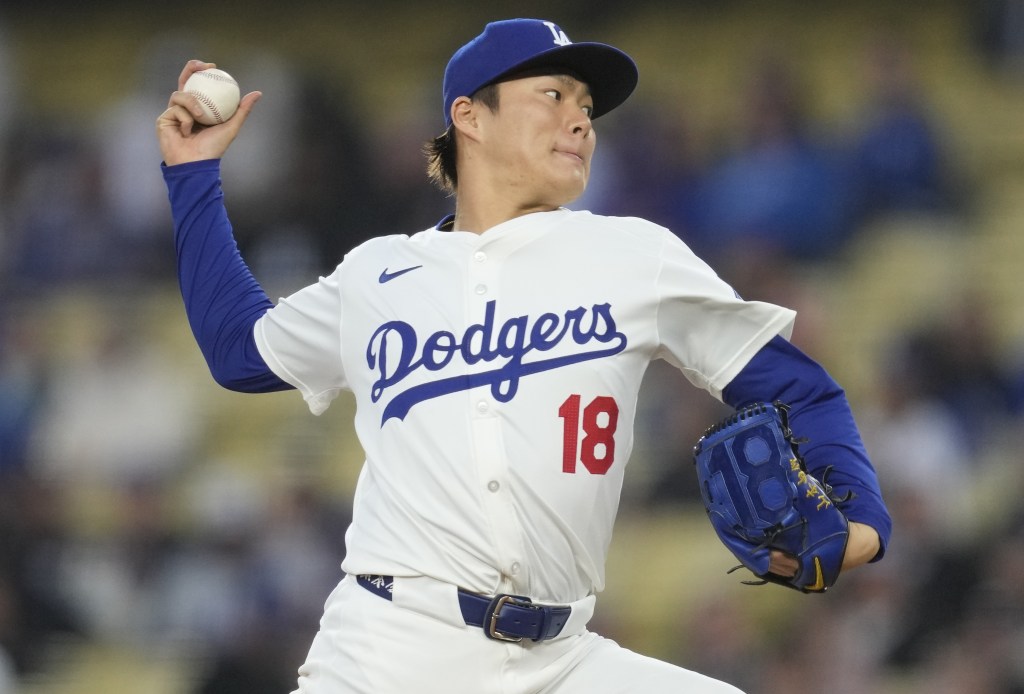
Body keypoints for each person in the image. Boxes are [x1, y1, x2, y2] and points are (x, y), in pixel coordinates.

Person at [156, 18, 892, 694]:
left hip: (561, 656)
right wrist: (192, 176)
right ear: (469, 116)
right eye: (553, 94)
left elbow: (802, 391)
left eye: (586, 106)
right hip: (391, 649)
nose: (580, 118)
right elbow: (238, 349)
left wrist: (860, 526)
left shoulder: (633, 255)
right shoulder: (377, 274)